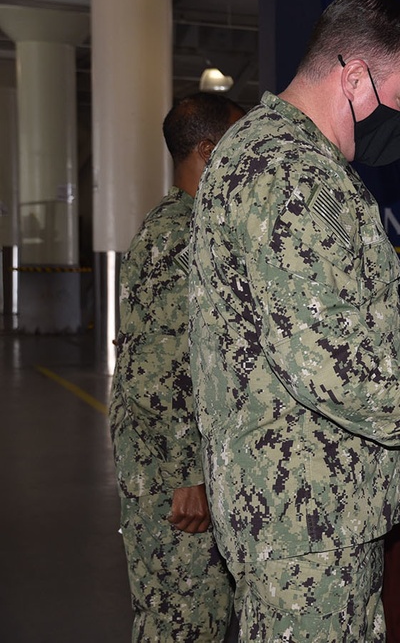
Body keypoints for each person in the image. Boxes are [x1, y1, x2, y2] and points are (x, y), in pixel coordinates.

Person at [187, 0, 400, 642]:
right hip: (303, 520)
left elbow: (303, 334)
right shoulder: (291, 174)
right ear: (355, 76)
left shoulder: (277, 155)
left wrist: (397, 361)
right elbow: (328, 373)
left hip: (315, 506)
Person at [108, 92, 246, 642]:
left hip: (169, 463)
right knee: (183, 623)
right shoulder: (183, 235)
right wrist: (189, 474)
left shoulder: (188, 224)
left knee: (193, 619)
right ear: (210, 152)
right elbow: (160, 368)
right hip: (172, 474)